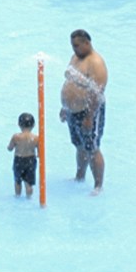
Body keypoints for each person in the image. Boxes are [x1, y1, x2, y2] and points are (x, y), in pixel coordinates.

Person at [60, 29, 108, 194]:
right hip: (72, 111)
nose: (74, 49)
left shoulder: (96, 63)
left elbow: (97, 92)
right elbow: (69, 82)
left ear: (87, 43)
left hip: (89, 112)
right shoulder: (75, 57)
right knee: (79, 146)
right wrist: (65, 107)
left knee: (92, 148)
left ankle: (98, 185)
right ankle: (80, 176)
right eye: (72, 46)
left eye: (77, 46)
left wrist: (89, 116)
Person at [6, 114, 38, 198]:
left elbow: (10, 148)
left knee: (17, 181)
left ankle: (17, 196)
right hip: (31, 160)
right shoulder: (36, 138)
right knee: (29, 183)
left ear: (19, 124)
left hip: (19, 160)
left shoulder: (16, 137)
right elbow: (40, 153)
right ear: (34, 125)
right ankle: (29, 197)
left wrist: (9, 147)